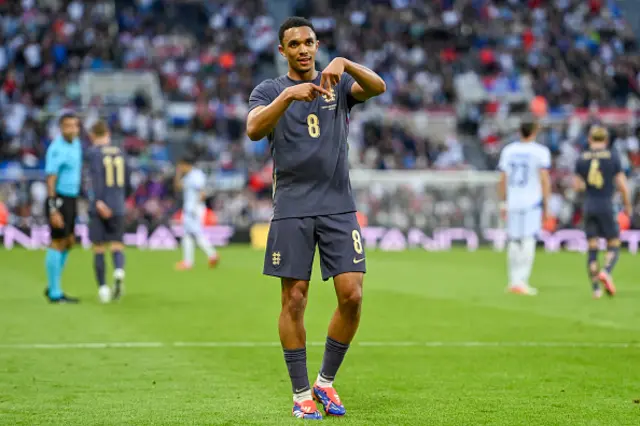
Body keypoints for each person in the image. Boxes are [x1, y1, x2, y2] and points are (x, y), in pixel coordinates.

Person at [246, 16, 386, 420]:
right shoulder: (268, 90)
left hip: (339, 205)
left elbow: (378, 86)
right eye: (294, 44)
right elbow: (254, 128)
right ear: (282, 51)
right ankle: (301, 392)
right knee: (294, 299)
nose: (304, 49)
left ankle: (325, 383)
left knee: (353, 297)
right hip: (292, 207)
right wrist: (289, 97)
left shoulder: (337, 84)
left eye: (309, 42)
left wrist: (345, 62)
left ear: (317, 44)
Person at [573, 126, 632, 298]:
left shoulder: (582, 158)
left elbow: (577, 186)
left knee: (592, 247)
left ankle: (596, 290)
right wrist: (627, 205)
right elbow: (622, 184)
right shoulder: (612, 156)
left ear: (589, 139)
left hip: (589, 204)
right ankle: (606, 271)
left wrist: (589, 186)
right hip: (606, 204)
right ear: (606, 140)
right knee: (613, 242)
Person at [497, 119, 551, 296]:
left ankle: (513, 280)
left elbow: (503, 178)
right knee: (528, 240)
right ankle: (522, 280)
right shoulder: (540, 152)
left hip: (513, 200)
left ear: (519, 131)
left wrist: (503, 201)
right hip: (531, 202)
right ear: (535, 132)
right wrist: (547, 204)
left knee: (513, 240)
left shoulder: (509, 150)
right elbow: (544, 179)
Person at [86, 120, 128, 303]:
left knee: (99, 248)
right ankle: (119, 271)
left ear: (93, 135)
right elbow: (129, 181)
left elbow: (94, 180)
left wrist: (98, 202)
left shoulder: (94, 153)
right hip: (118, 204)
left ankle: (103, 288)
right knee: (117, 244)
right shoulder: (121, 152)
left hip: (99, 205)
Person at [44, 111, 82, 303]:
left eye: (75, 125)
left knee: (69, 241)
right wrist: (53, 208)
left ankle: (53, 283)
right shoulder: (56, 149)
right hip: (59, 198)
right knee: (57, 242)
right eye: (67, 126)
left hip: (72, 198)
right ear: (61, 128)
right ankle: (55, 292)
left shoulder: (76, 144)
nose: (72, 129)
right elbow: (50, 179)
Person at [174, 154, 219, 270]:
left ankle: (212, 254)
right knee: (188, 235)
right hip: (189, 209)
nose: (180, 167)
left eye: (180, 165)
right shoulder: (188, 176)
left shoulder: (196, 175)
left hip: (194, 209)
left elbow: (202, 192)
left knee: (196, 234)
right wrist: (178, 174)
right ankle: (188, 262)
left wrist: (195, 207)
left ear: (185, 164)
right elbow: (178, 187)